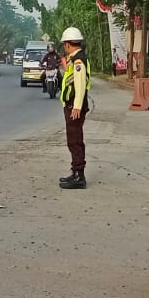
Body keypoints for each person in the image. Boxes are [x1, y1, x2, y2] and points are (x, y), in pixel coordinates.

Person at [57, 26, 91, 190]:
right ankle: (75, 172)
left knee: (75, 140)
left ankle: (79, 176)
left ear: (68, 44)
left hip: (74, 107)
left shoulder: (78, 62)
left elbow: (80, 85)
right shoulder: (75, 59)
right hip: (72, 105)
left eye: (65, 44)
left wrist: (76, 107)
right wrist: (66, 68)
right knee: (74, 139)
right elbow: (71, 79)